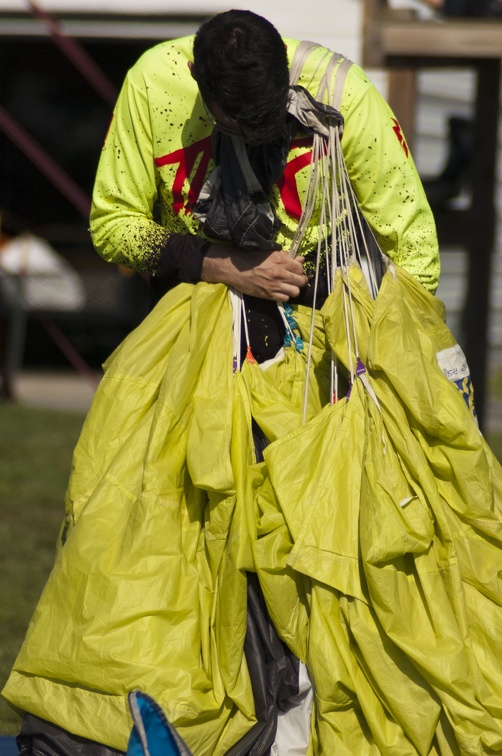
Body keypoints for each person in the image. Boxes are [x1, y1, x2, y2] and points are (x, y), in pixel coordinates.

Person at [8, 8, 500, 756]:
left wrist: (389, 365)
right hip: (201, 355)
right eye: (237, 124)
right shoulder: (153, 89)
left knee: (338, 534)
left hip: (336, 355)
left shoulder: (347, 100)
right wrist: (219, 265)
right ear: (204, 94)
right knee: (159, 517)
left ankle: (320, 706)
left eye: (267, 123)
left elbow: (416, 251)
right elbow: (113, 223)